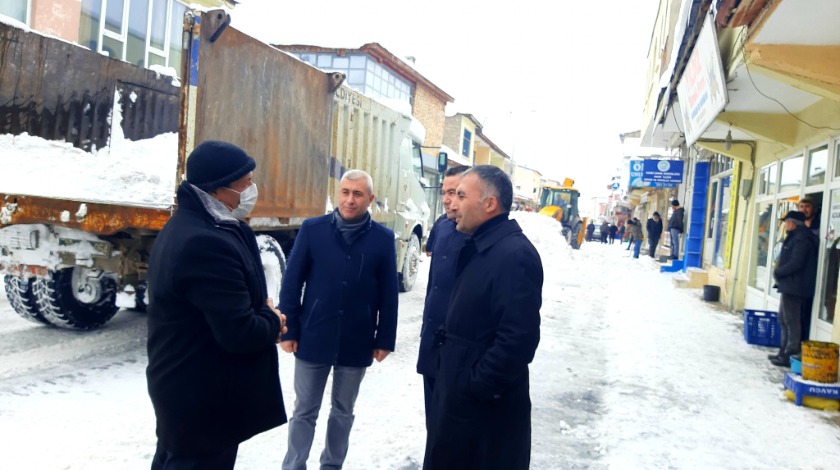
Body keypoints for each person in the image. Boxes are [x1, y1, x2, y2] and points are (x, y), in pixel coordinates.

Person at [146, 140, 287, 469]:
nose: (252, 189)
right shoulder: (204, 242)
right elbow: (239, 332)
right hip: (202, 404)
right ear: (220, 188)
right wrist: (272, 320)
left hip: (191, 398)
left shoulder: (199, 226)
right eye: (246, 182)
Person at [424, 165, 543, 470]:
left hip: (483, 414)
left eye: (462, 196)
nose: (453, 203)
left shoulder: (514, 254)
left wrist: (475, 385)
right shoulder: (481, 246)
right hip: (461, 404)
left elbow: (518, 339)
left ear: (489, 204)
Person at [279, 169, 398, 470]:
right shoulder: (313, 229)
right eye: (345, 192)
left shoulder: (383, 240)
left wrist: (385, 338)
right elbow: (292, 282)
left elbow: (389, 293)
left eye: (358, 194)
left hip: (356, 339)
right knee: (304, 409)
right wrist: (288, 328)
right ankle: (294, 465)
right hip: (313, 334)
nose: (350, 199)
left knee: (343, 411)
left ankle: (331, 466)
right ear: (338, 193)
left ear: (370, 199)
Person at [417, 165, 469, 428]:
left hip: (459, 351)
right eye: (445, 192)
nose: (448, 199)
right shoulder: (441, 225)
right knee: (432, 424)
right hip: (431, 342)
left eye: (456, 193)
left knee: (452, 428)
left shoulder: (477, 235)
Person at [769, 211, 818, 367]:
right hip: (789, 285)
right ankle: (783, 351)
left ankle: (789, 353)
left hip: (795, 287)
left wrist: (779, 272)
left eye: (787, 222)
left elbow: (797, 262)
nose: (785, 225)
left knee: (791, 321)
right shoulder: (795, 237)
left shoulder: (801, 239)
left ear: (793, 223)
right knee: (783, 319)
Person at [797, 196, 820, 340]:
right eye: (801, 206)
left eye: (807, 206)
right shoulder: (798, 226)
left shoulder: (819, 226)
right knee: (797, 313)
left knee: (808, 311)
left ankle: (805, 341)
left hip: (814, 275)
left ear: (814, 209)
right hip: (798, 277)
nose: (804, 209)